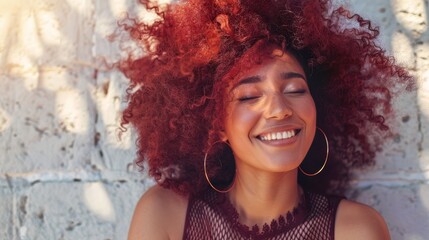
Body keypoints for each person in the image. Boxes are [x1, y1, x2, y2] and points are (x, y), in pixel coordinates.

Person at [119, 0, 413, 239]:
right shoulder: (164, 214)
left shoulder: (356, 230)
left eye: (296, 89)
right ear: (216, 125)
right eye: (248, 96)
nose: (279, 109)